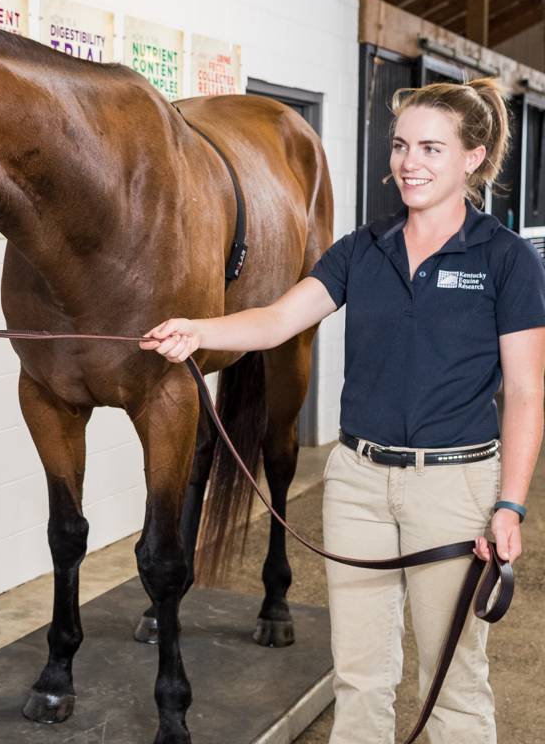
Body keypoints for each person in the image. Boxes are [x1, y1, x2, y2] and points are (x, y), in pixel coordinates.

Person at [142, 77, 545, 743]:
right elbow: (276, 321)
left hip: (455, 486)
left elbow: (528, 392)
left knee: (453, 685)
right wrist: (199, 330)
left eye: (431, 148)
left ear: (472, 158)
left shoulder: (504, 261)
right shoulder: (364, 249)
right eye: (400, 146)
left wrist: (510, 503)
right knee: (360, 677)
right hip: (357, 485)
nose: (409, 162)